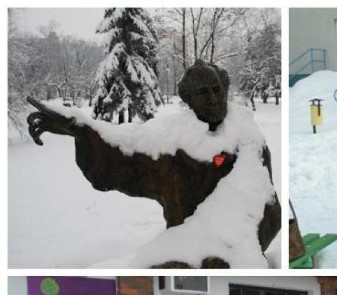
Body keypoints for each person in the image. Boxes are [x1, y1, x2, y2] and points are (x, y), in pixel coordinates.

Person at [26, 60, 281, 267]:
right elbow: (124, 148)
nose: (214, 99)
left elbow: (266, 207)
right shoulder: (169, 141)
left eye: (217, 89)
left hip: (238, 246)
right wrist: (78, 128)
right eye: (203, 93)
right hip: (185, 246)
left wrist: (231, 246)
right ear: (189, 100)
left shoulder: (249, 141)